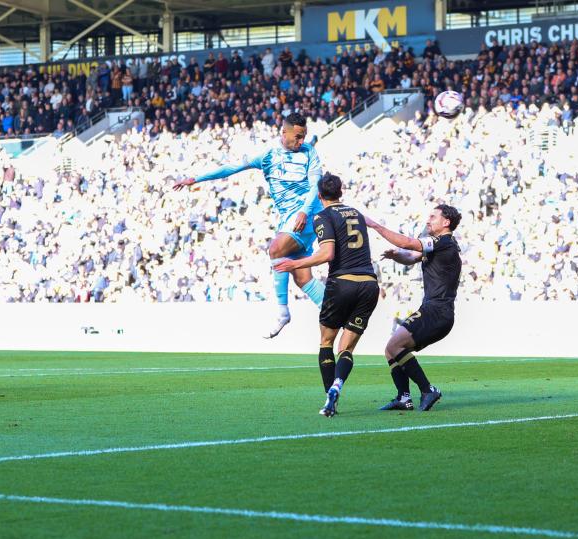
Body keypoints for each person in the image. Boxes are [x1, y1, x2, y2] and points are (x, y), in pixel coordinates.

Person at [173, 112, 326, 338]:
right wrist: (196, 179)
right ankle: (331, 308)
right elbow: (231, 167)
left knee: (275, 249)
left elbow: (316, 185)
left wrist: (304, 210)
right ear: (284, 132)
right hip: (288, 220)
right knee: (303, 278)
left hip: (308, 215)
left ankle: (283, 311)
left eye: (303, 136)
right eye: (298, 136)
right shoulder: (268, 156)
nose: (301, 141)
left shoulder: (309, 152)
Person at [275, 173, 378, 417]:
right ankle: (337, 385)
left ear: (320, 196)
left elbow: (327, 253)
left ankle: (329, 399)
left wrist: (295, 265)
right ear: (341, 192)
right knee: (347, 348)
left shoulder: (323, 216)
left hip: (342, 284)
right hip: (369, 284)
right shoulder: (357, 214)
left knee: (326, 342)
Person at [364, 204, 462, 412]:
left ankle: (428, 390)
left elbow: (409, 244)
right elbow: (410, 257)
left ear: (446, 223)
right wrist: (395, 256)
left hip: (436, 311)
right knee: (391, 351)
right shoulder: (439, 245)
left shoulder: (444, 242)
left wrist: (374, 226)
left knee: (394, 346)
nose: (428, 220)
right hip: (434, 310)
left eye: (433, 217)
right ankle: (403, 397)